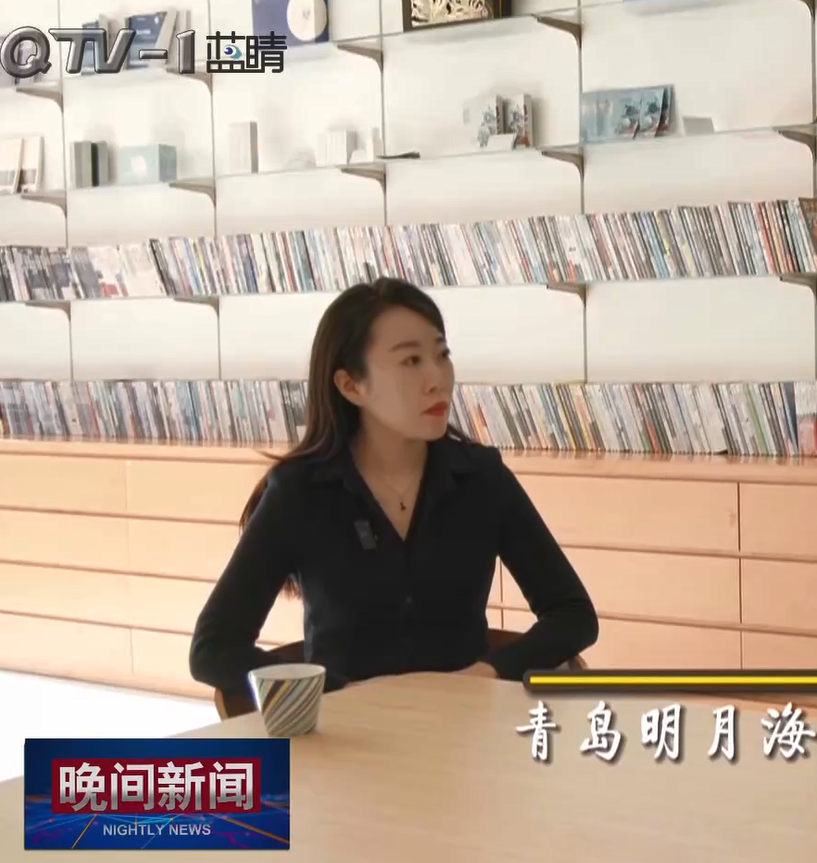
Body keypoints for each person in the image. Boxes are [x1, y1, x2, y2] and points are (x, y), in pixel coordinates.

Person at [189, 278, 599, 696]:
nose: (437, 379)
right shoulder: (299, 491)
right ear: (351, 385)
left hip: (467, 724)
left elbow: (573, 615)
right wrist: (340, 693)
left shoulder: (482, 478)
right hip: (346, 730)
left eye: (442, 355)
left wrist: (483, 675)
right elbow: (213, 649)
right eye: (411, 361)